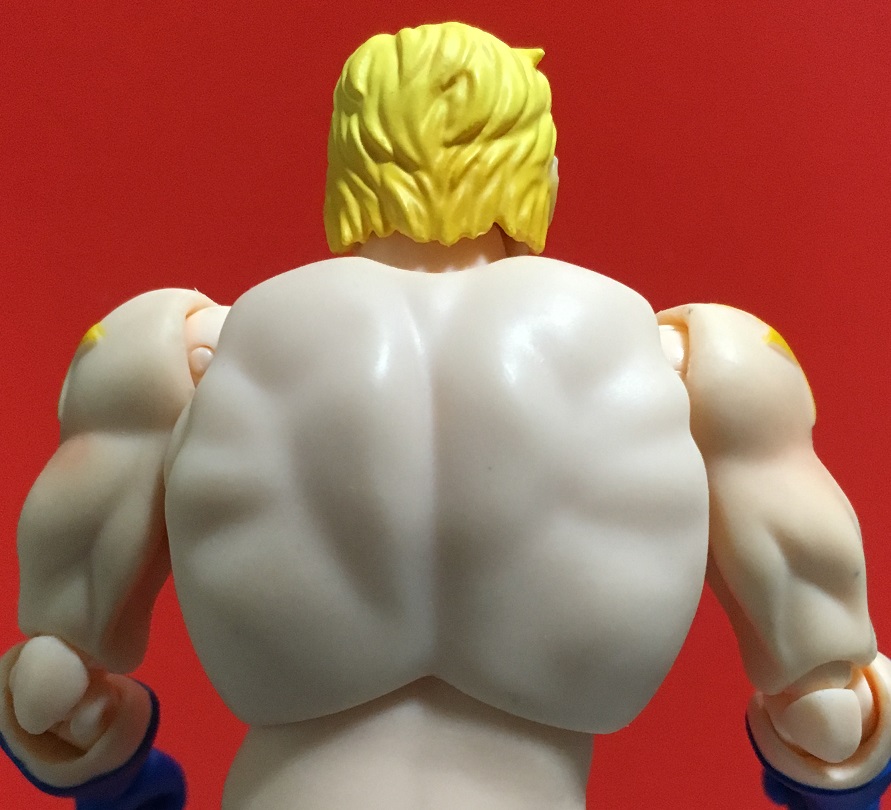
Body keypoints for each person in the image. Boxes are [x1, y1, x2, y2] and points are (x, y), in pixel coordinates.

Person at [1, 21, 889, 810]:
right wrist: (834, 749)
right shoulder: (699, 366)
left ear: (343, 163)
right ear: (540, 169)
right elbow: (830, 712)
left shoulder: (175, 354)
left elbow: (52, 695)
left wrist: (113, 768)